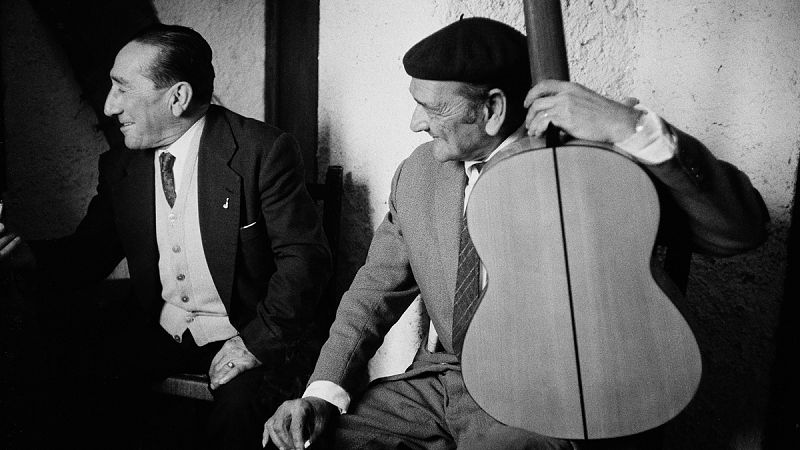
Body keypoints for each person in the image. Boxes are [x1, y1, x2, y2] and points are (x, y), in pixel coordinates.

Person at [263, 17, 768, 450]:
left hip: (541, 398)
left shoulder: (592, 169)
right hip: (436, 383)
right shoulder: (418, 173)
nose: (416, 122)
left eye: (434, 109)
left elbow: (740, 231)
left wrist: (631, 127)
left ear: (493, 109)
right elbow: (373, 291)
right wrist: (320, 393)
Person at [0, 24, 331, 449]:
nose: (109, 106)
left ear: (178, 98)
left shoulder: (262, 151)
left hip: (248, 331)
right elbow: (88, 255)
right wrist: (26, 256)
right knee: (67, 377)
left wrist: (253, 344)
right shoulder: (121, 166)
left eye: (122, 88)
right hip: (163, 329)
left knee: (240, 414)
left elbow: (305, 262)